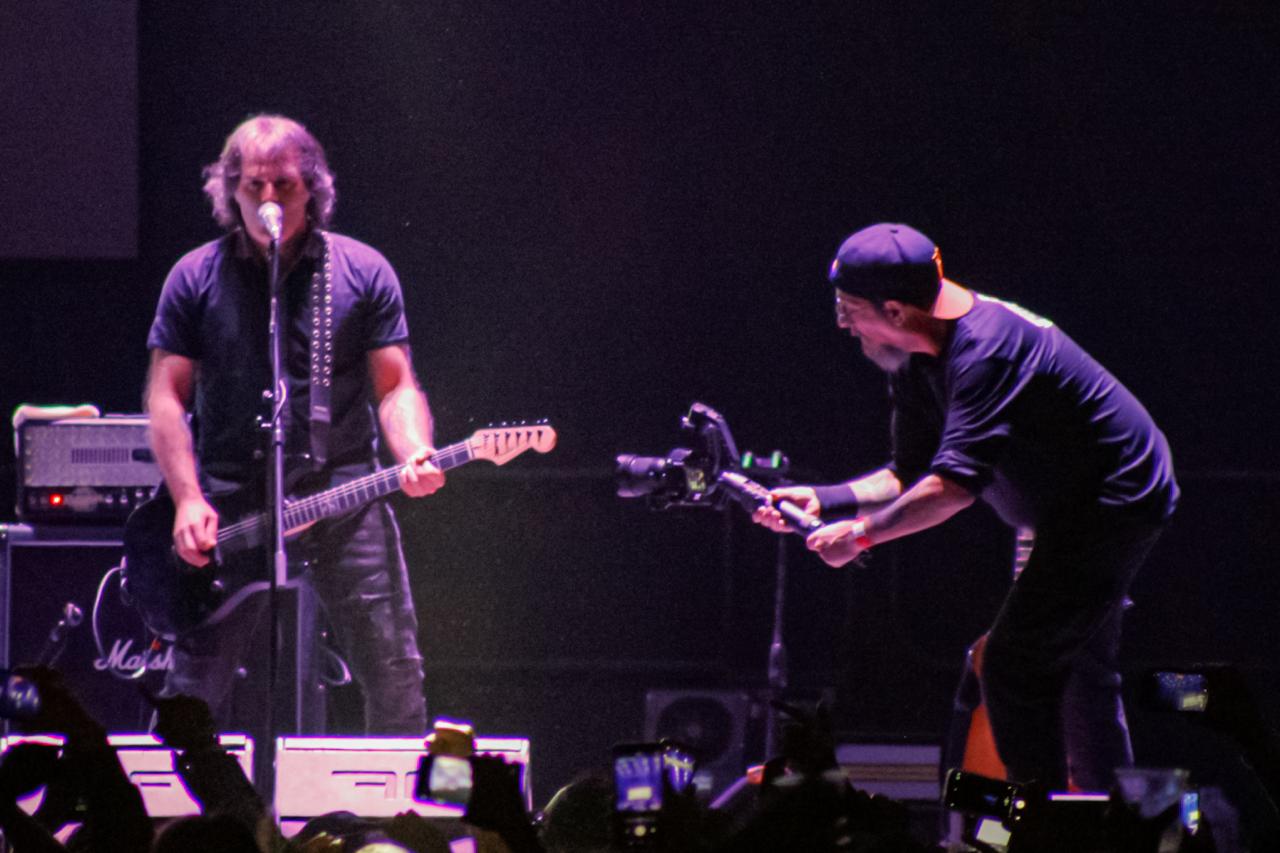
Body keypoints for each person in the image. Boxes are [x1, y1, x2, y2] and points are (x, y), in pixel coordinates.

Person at [753, 222, 1178, 790]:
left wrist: (859, 536)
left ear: (896, 311)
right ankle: (1110, 813)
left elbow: (951, 489)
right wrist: (827, 500)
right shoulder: (915, 356)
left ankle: (1041, 819)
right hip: (1062, 507)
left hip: (1113, 499)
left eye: (848, 309)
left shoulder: (985, 351)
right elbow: (910, 472)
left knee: (1013, 664)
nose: (842, 323)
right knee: (1078, 667)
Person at [144, 114, 444, 734]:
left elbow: (396, 387)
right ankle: (170, 800)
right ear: (231, 190)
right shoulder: (194, 277)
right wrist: (187, 498)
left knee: (394, 671)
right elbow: (166, 398)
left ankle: (403, 799)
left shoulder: (362, 271)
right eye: (253, 185)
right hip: (230, 500)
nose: (269, 199)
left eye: (284, 184)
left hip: (342, 493)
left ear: (312, 187)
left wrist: (414, 449)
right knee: (191, 688)